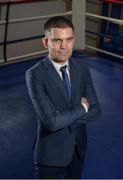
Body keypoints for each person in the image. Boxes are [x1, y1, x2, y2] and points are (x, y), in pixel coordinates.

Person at [25, 16, 101, 179]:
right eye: (57, 40)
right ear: (46, 42)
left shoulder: (81, 68)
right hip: (50, 155)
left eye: (69, 39)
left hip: (77, 148)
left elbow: (96, 111)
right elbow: (52, 123)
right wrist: (83, 108)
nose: (64, 46)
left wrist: (62, 117)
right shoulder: (35, 75)